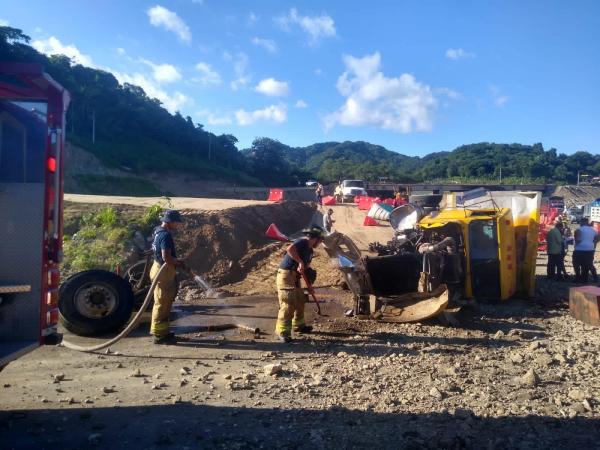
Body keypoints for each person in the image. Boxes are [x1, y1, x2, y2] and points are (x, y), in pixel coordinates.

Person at [275, 226, 325, 343]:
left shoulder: (310, 251)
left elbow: (305, 269)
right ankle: (282, 332)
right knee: (289, 302)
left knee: (300, 300)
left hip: (295, 277)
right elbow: (290, 249)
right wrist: (300, 261)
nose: (321, 242)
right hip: (286, 275)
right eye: (320, 240)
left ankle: (299, 326)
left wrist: (309, 286)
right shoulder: (303, 242)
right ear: (314, 238)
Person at [150, 209, 185, 344]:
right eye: (176, 223)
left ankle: (163, 332)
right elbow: (166, 258)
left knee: (165, 302)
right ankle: (159, 335)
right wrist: (178, 262)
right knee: (162, 303)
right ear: (170, 222)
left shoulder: (157, 230)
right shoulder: (166, 236)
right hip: (163, 272)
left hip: (157, 268)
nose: (177, 225)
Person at [573, 218, 599, 283]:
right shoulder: (593, 230)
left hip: (579, 249)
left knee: (576, 264)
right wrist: (594, 242)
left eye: (580, 222)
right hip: (590, 249)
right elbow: (598, 237)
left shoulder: (578, 229)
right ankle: (593, 278)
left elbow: (577, 240)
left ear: (582, 222)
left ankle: (578, 278)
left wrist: (577, 242)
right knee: (588, 264)